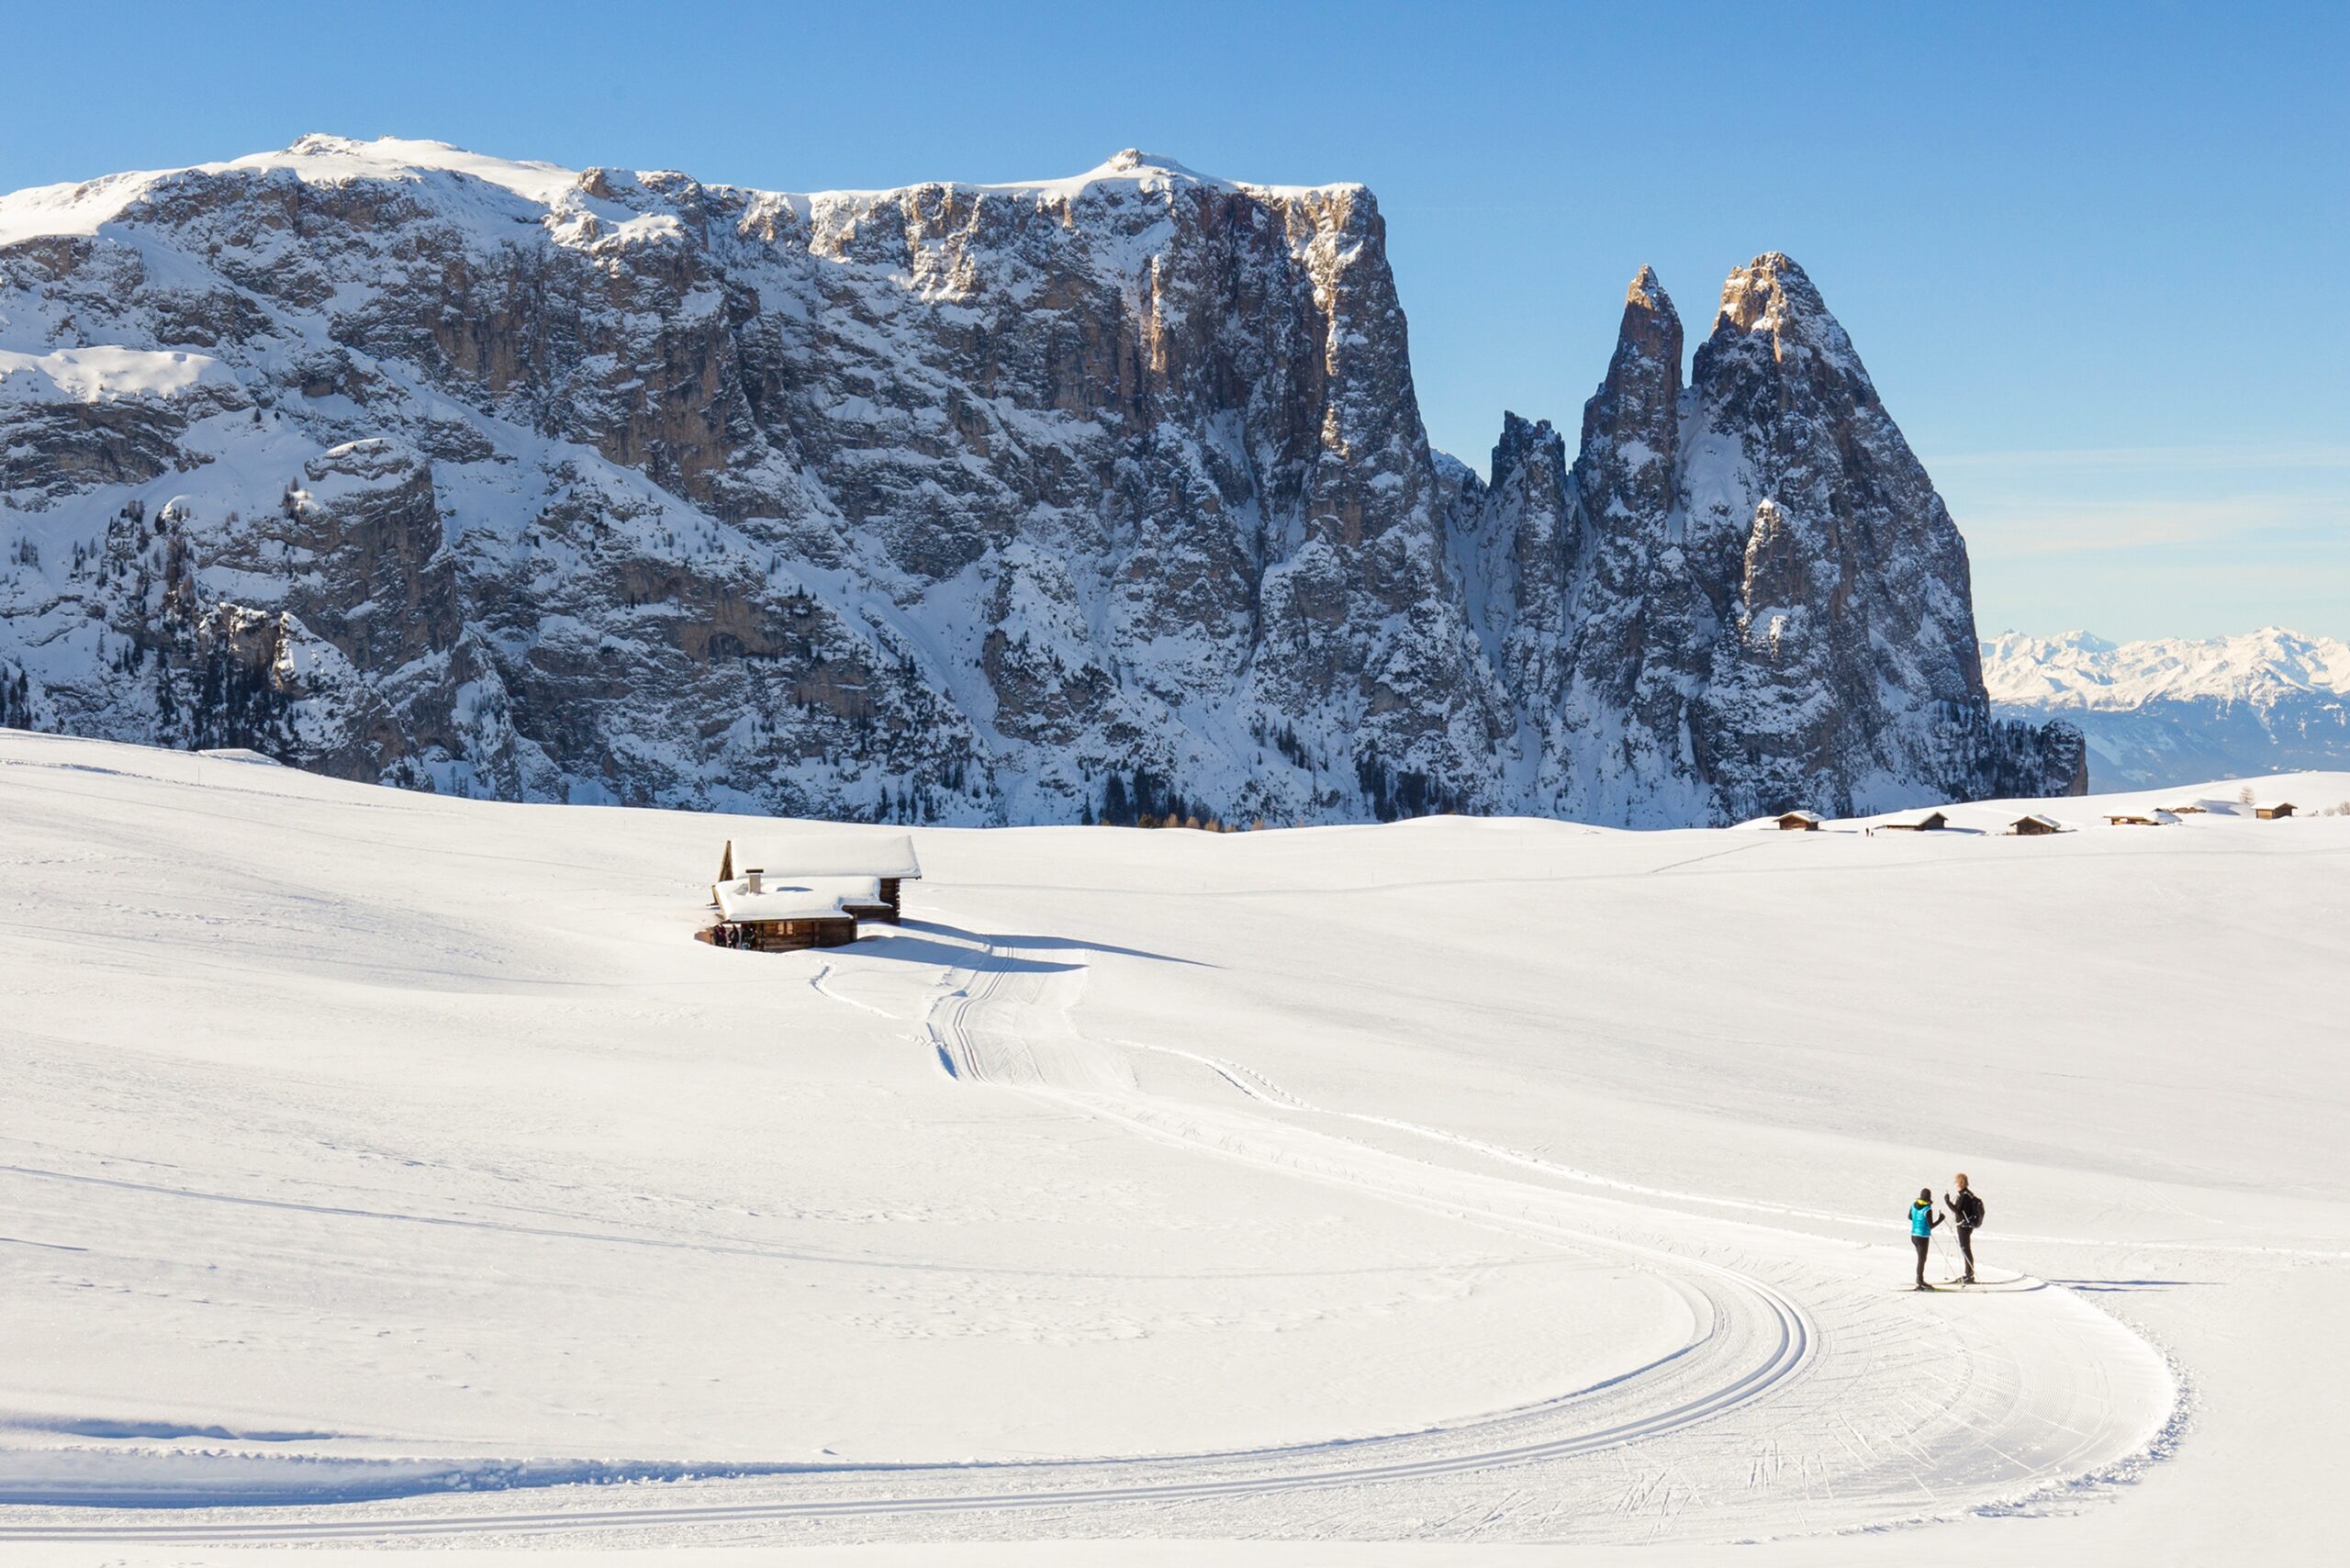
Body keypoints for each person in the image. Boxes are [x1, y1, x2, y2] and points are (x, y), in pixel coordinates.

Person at [1944, 1173, 1985, 1284]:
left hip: (1964, 1226)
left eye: (1956, 1182)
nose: (1955, 1184)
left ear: (1960, 1183)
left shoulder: (1964, 1196)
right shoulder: (1968, 1194)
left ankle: (1969, 1275)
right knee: (1965, 1249)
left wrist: (1947, 1202)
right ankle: (1969, 1274)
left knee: (1965, 1249)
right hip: (1966, 1225)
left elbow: (1957, 1210)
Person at [1908, 1187, 1942, 1290]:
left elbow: (1910, 1217)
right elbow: (1931, 1225)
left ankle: (1919, 1279)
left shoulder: (1913, 1205)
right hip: (1922, 1237)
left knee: (1920, 1259)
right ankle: (1920, 1282)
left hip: (1914, 1236)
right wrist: (1941, 1219)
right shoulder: (1927, 1210)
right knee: (1922, 1259)